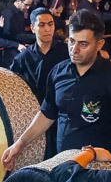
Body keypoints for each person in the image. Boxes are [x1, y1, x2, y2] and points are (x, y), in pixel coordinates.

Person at [3, 9, 111, 169]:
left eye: (83, 44)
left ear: (99, 44)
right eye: (71, 41)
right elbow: (47, 113)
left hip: (99, 168)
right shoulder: (58, 72)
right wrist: (19, 144)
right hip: (63, 164)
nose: (74, 50)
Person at [9, 8, 69, 154]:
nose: (47, 29)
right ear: (32, 28)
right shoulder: (23, 57)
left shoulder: (66, 51)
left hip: (63, 114)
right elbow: (11, 83)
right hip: (35, 117)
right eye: (42, 25)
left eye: (50, 24)